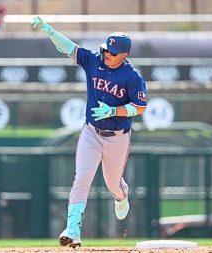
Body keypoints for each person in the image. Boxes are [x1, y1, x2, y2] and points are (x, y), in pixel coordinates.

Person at [32, 16, 148, 248]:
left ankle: (121, 195)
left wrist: (113, 110)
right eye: (106, 50)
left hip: (117, 138)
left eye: (113, 53)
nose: (107, 54)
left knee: (112, 183)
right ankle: (73, 229)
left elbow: (140, 107)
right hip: (92, 132)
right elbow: (70, 48)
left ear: (125, 54)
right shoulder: (94, 61)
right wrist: (49, 30)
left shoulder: (132, 77)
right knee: (82, 178)